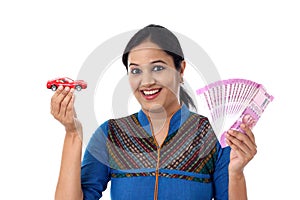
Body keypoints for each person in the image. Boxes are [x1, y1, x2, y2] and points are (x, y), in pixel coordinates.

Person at [51, 24, 257, 200]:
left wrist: (237, 173)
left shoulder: (210, 135)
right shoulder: (112, 134)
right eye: (135, 70)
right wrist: (72, 133)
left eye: (158, 68)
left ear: (181, 70)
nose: (146, 81)